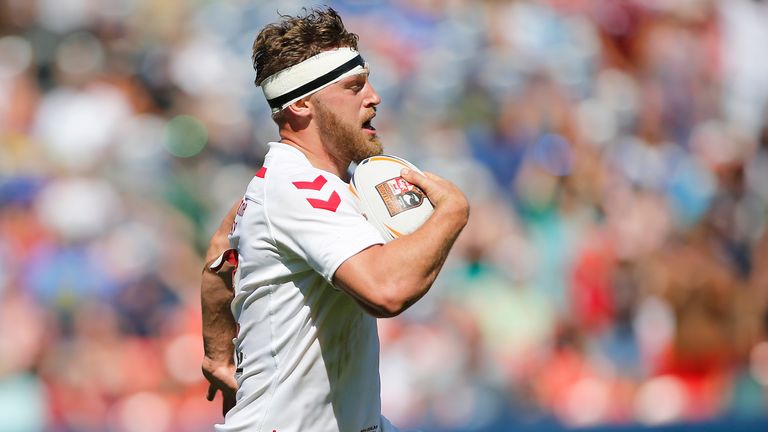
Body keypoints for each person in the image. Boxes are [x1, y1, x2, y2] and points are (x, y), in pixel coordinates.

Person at [200, 7, 469, 431]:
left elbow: (220, 259)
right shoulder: (301, 189)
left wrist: (218, 357)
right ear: (303, 104)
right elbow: (386, 291)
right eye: (355, 86)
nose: (374, 97)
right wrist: (453, 212)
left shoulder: (283, 182)